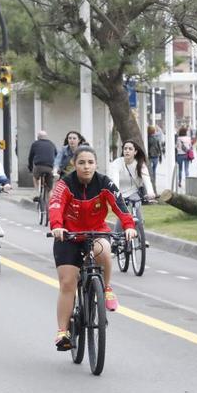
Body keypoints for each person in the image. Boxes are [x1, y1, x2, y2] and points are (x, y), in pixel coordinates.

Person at [49, 146, 136, 350]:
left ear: (96, 164)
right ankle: (63, 332)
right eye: (81, 163)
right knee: (68, 283)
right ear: (74, 164)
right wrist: (57, 226)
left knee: (105, 249)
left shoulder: (105, 183)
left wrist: (129, 226)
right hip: (68, 236)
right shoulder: (65, 184)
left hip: (96, 232)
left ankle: (106, 288)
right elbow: (55, 204)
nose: (86, 167)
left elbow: (120, 205)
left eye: (90, 162)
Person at [28, 130, 57, 200]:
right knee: (50, 189)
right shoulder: (52, 144)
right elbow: (56, 155)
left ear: (38, 137)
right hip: (50, 167)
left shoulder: (35, 144)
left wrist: (30, 167)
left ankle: (37, 193)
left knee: (35, 177)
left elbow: (30, 157)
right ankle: (51, 203)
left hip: (39, 167)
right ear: (46, 137)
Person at [147, 126, 163, 190]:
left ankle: (150, 183)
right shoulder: (156, 138)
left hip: (150, 156)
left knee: (150, 170)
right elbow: (159, 148)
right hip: (156, 156)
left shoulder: (147, 138)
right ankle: (154, 182)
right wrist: (160, 157)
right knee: (154, 170)